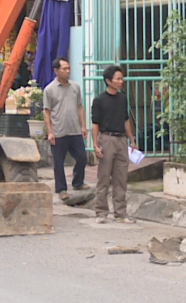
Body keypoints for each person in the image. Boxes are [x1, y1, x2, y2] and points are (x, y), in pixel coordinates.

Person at [91, 65, 138, 223]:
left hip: (121, 140)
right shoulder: (99, 100)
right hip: (106, 139)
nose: (121, 81)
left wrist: (131, 140)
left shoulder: (122, 98)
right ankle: (101, 212)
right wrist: (95, 145)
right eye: (117, 79)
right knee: (103, 177)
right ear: (108, 81)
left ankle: (121, 212)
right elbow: (95, 124)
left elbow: (126, 120)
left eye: (121, 78)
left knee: (121, 178)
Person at [42, 57, 89, 199]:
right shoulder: (49, 90)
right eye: (64, 69)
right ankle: (61, 189)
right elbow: (46, 112)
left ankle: (78, 182)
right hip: (58, 132)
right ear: (56, 70)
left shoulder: (75, 87)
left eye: (68, 68)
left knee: (82, 157)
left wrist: (83, 126)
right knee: (58, 163)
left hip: (74, 130)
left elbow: (79, 107)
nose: (68, 71)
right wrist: (50, 132)